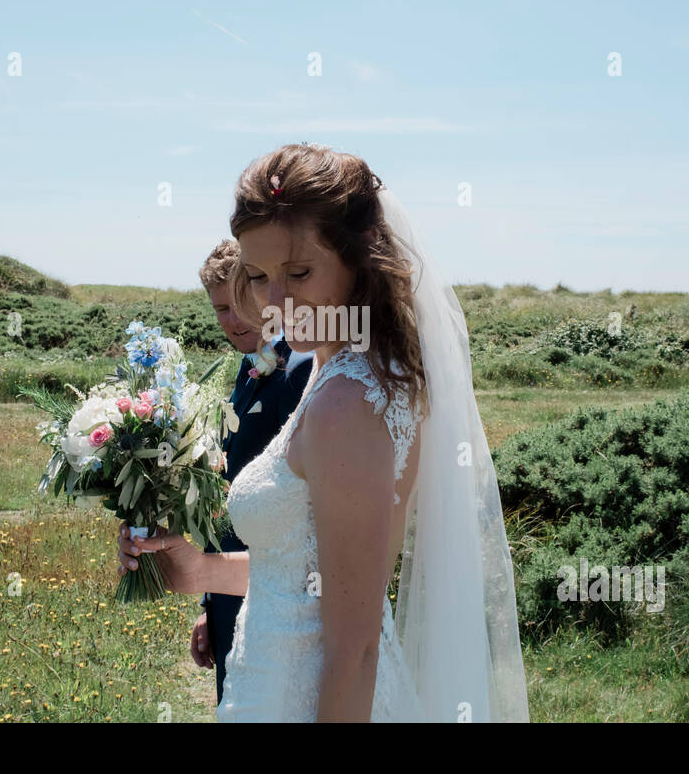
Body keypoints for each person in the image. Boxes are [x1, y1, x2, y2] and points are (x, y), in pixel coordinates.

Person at [125, 144, 529, 721]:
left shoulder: (346, 403)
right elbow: (311, 579)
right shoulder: (339, 368)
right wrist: (198, 571)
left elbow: (355, 650)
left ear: (359, 260)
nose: (279, 303)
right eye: (261, 276)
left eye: (301, 271)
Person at [117, 239, 310, 704]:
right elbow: (224, 495)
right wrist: (209, 603)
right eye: (220, 308)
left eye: (242, 304)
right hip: (228, 594)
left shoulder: (303, 371)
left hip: (282, 602)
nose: (232, 321)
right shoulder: (246, 372)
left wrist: (209, 579)